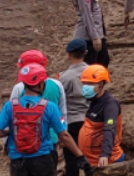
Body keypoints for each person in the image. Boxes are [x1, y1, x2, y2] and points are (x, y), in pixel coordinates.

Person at [0, 64, 87, 176]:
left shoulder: (10, 106)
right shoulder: (50, 107)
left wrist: (12, 131)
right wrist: (80, 156)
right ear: (40, 84)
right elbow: (64, 135)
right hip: (43, 160)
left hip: (17, 161)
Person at [77, 65, 122, 169]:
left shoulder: (110, 105)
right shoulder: (94, 100)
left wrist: (105, 155)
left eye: (90, 83)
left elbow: (109, 129)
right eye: (85, 83)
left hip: (107, 162)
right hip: (92, 160)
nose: (86, 86)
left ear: (101, 84)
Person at [57, 40, 89, 172]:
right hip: (90, 120)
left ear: (69, 54)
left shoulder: (64, 77)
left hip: (71, 121)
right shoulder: (94, 73)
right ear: (86, 52)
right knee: (91, 158)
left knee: (71, 159)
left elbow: (59, 99)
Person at [72, 0, 109, 68]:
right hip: (89, 36)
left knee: (103, 60)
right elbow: (87, 15)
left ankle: (99, 84)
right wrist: (95, 37)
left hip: (94, 32)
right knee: (92, 65)